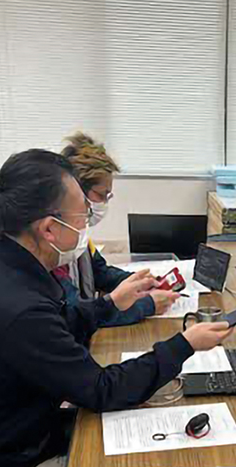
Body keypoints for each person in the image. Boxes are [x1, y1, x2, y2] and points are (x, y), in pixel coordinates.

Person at [0, 149, 233, 467]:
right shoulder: (19, 307)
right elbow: (101, 390)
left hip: (14, 436)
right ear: (49, 228)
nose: (86, 225)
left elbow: (57, 324)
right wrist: (185, 344)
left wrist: (109, 304)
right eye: (83, 215)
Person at [56, 132, 176, 327]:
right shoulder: (53, 250)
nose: (104, 203)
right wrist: (148, 305)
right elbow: (76, 315)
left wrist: (138, 283)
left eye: (108, 196)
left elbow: (101, 273)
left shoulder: (80, 238)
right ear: (76, 191)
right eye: (101, 195)